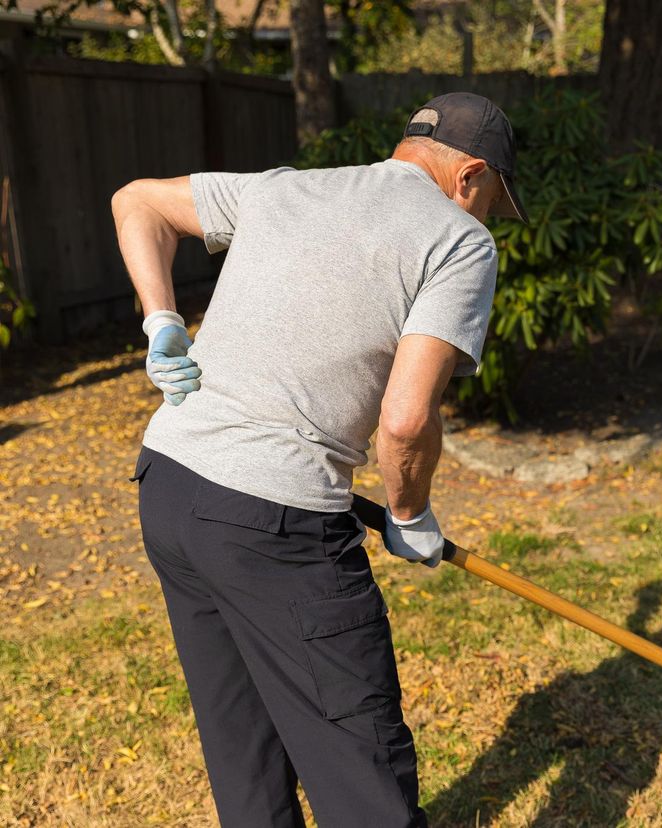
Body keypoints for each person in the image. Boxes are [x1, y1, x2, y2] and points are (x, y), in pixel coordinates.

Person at [112, 92, 527, 828]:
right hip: (273, 525)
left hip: (169, 486)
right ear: (470, 175)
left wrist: (161, 319)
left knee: (243, 750)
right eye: (494, 196)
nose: (489, 214)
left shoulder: (288, 185)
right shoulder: (459, 241)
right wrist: (409, 512)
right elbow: (404, 420)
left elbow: (137, 201)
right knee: (360, 769)